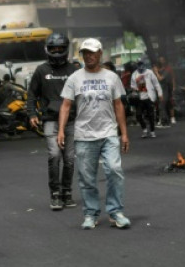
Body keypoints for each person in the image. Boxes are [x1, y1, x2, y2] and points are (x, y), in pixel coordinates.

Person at [57, 38, 131, 230]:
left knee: (114, 170)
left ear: (100, 54)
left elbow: (118, 105)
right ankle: (91, 214)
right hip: (84, 136)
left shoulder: (111, 77)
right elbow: (65, 106)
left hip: (108, 133)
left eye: (92, 53)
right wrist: (61, 131)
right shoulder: (74, 78)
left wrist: (124, 133)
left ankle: (116, 212)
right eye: (85, 53)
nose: (89, 56)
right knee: (87, 177)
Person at [27, 33, 80, 211]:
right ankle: (55, 194)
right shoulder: (41, 70)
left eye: (60, 48)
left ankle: (67, 192)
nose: (57, 51)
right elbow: (32, 93)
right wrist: (32, 113)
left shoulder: (73, 70)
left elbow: (81, 96)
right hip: (50, 120)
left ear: (66, 49)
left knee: (70, 159)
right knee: (55, 156)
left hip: (71, 121)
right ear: (47, 50)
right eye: (53, 48)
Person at [132, 59, 163, 138]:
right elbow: (133, 86)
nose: (141, 66)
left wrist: (160, 93)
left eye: (142, 64)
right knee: (138, 115)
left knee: (151, 115)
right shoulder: (134, 74)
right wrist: (136, 90)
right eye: (139, 65)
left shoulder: (149, 72)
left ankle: (152, 131)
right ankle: (144, 130)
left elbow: (156, 84)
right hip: (140, 98)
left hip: (149, 97)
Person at [154, 56, 176, 126]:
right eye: (160, 60)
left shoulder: (167, 68)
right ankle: (161, 119)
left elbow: (161, 78)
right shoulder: (158, 68)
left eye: (163, 60)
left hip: (167, 87)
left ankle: (171, 118)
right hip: (159, 87)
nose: (161, 61)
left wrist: (156, 72)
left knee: (168, 102)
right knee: (160, 103)